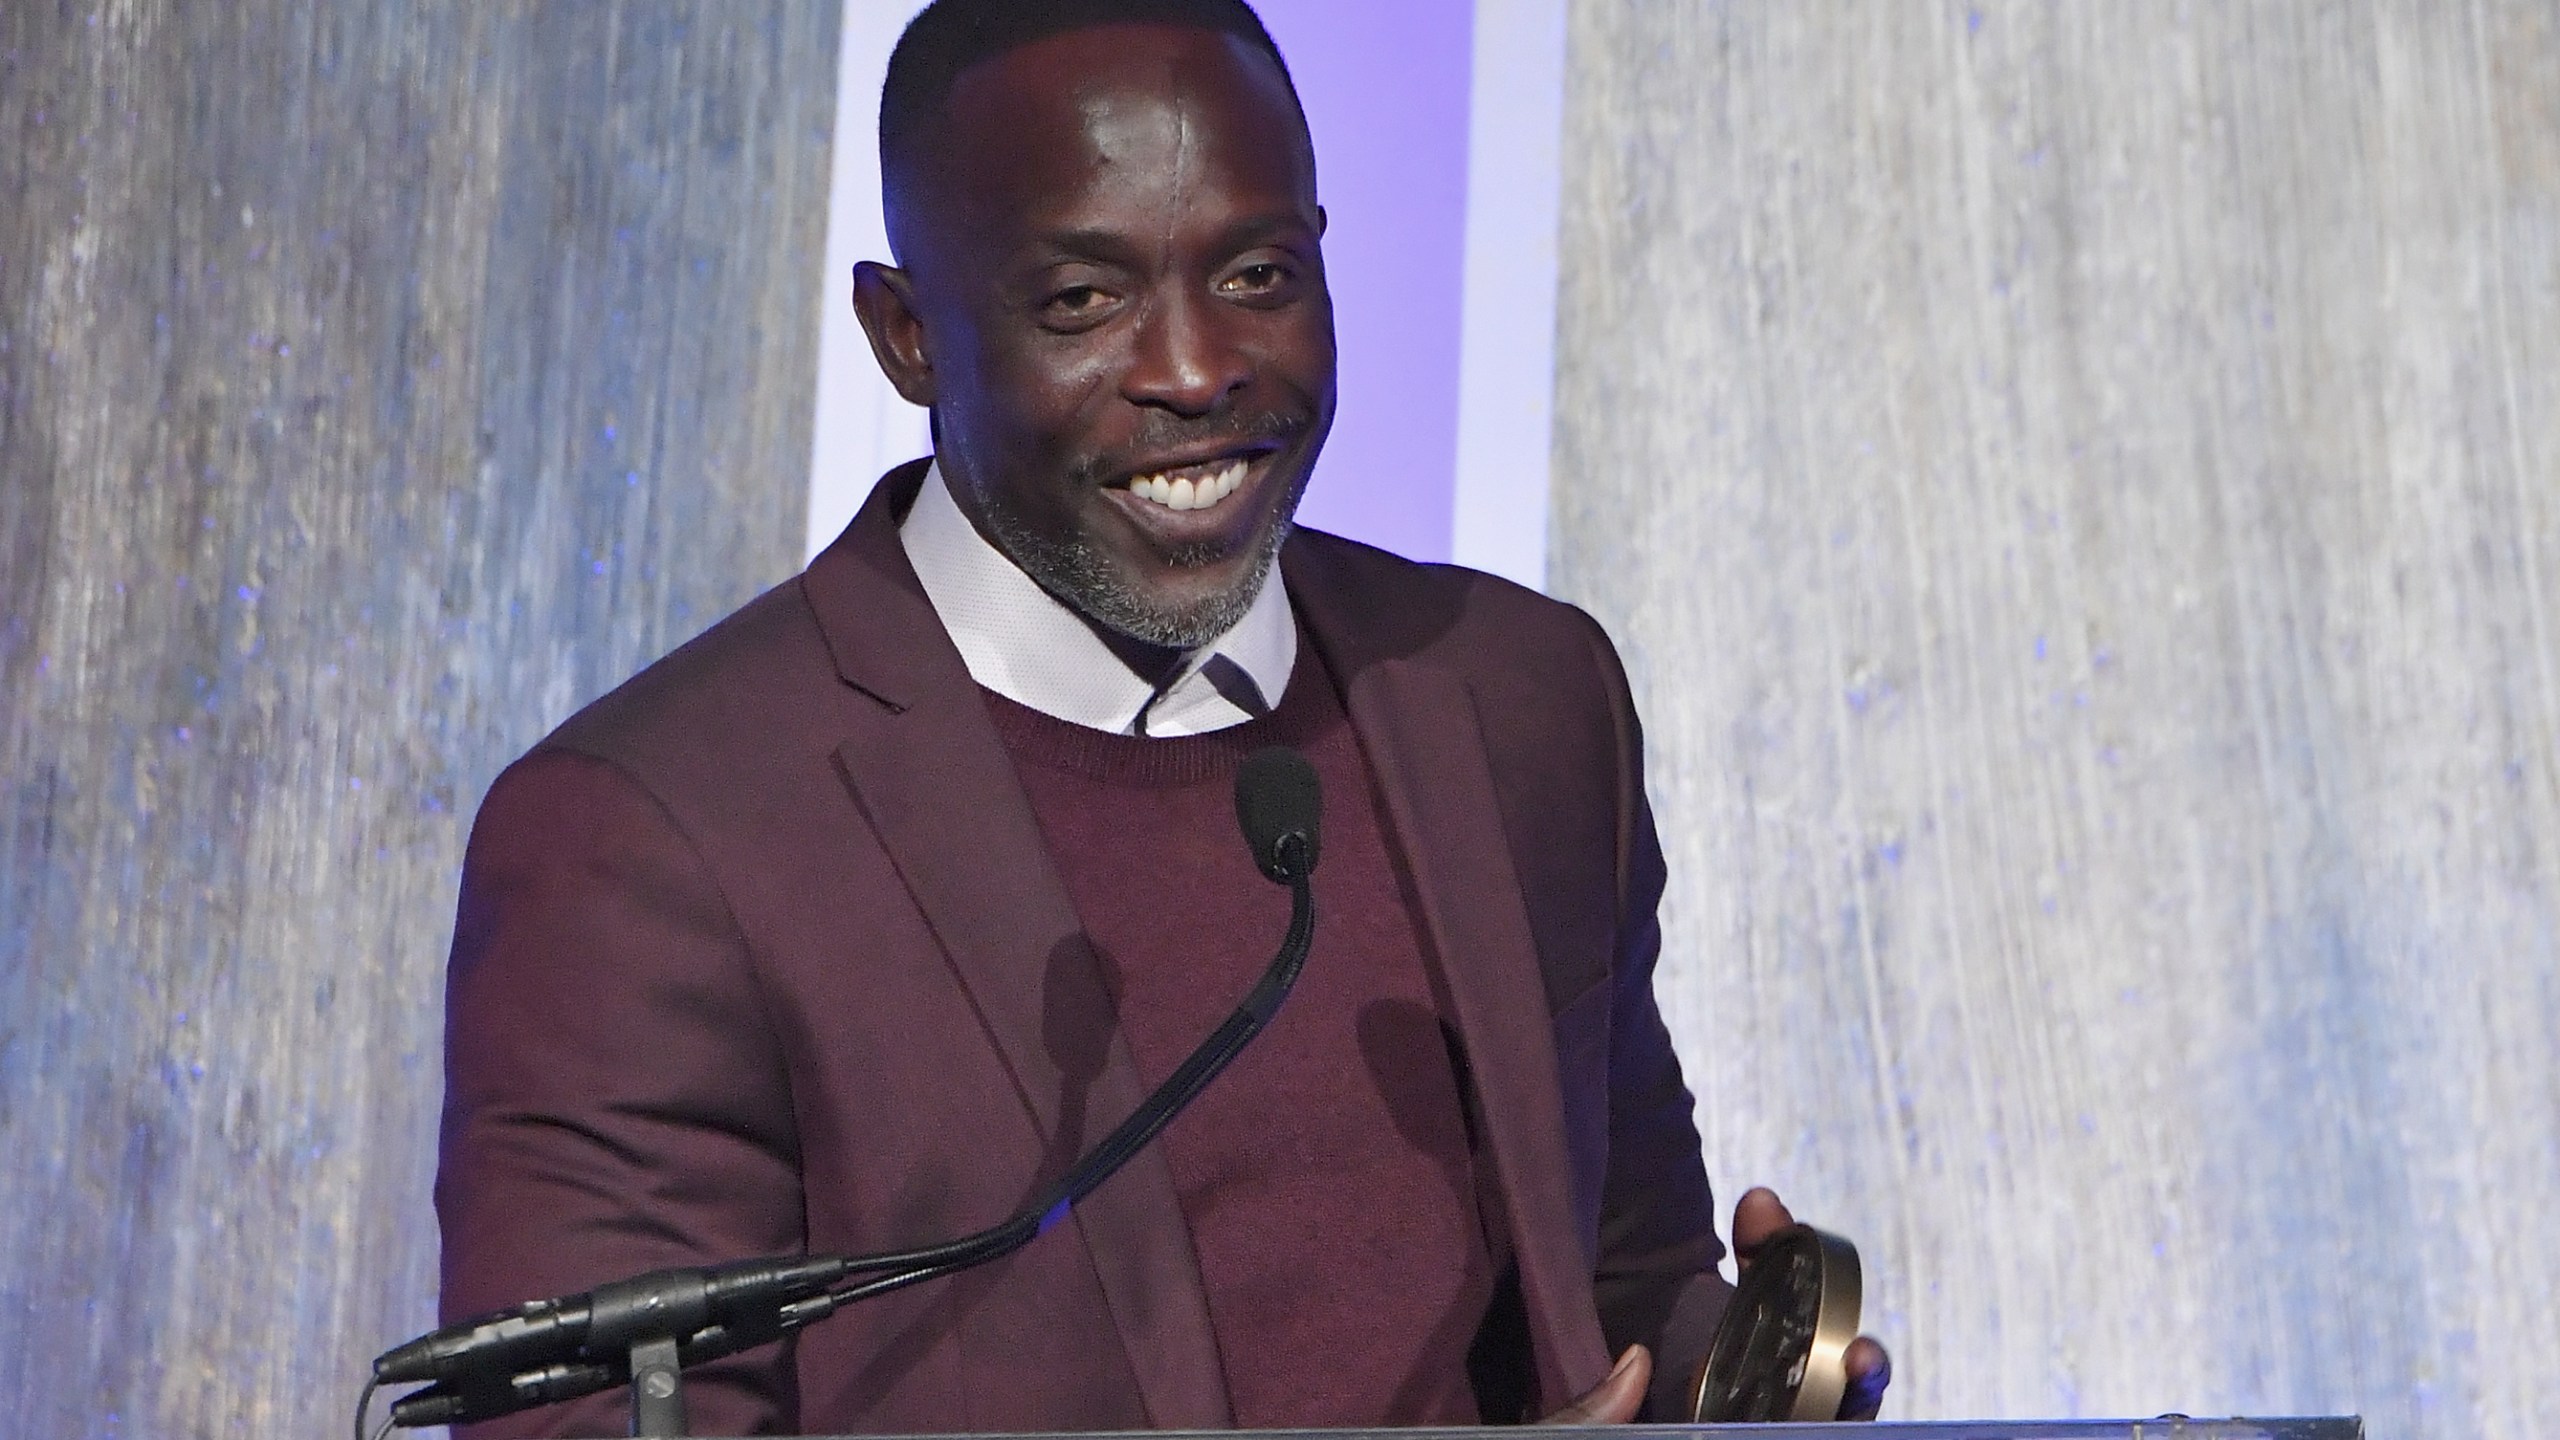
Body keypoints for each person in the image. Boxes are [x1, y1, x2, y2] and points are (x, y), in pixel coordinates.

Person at [435, 0, 1890, 1433]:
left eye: (1259, 275)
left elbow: (1621, 1279)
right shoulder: (649, 842)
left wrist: (1740, 1380)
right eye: (1083, 301)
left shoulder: (1520, 696)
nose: (1195, 370)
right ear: (907, 337)